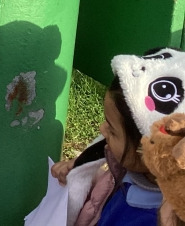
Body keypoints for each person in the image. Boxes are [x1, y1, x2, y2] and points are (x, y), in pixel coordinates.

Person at [49, 49, 185, 226]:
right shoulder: (134, 171)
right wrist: (85, 174)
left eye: (112, 130)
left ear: (148, 149)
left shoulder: (152, 219)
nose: (102, 129)